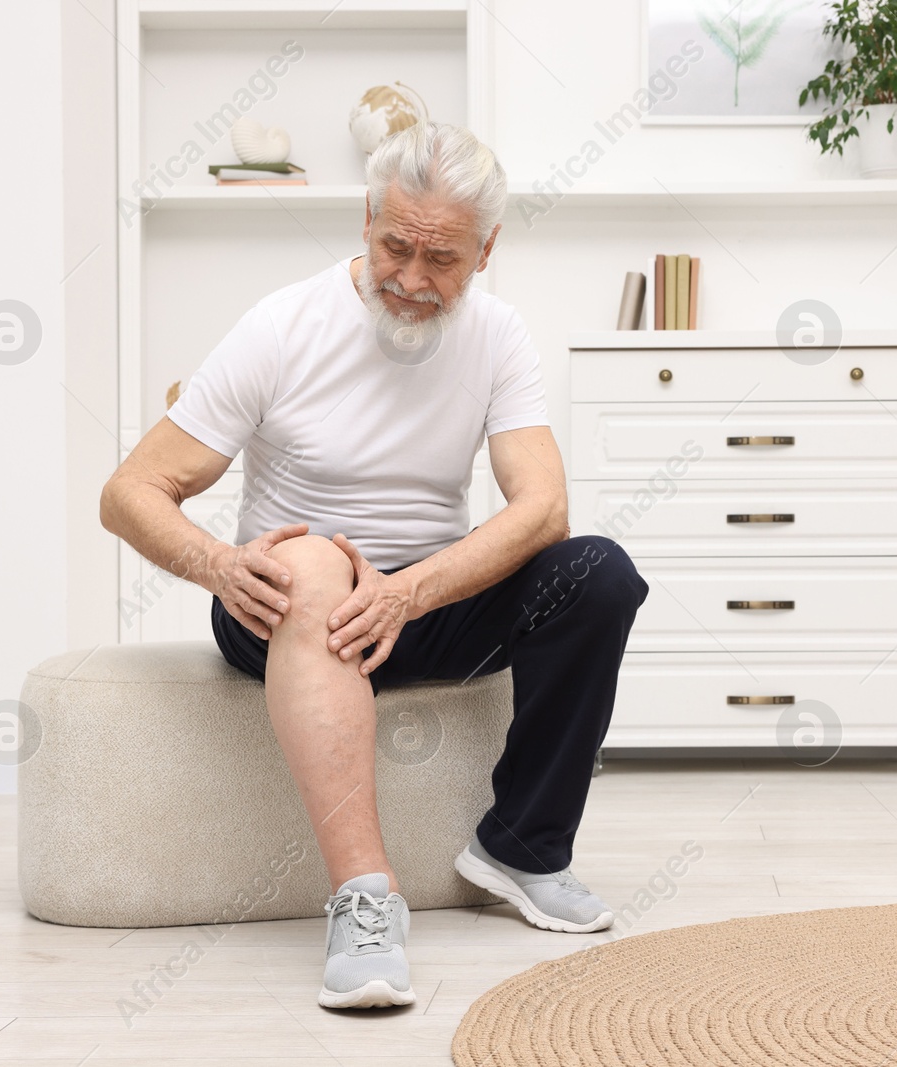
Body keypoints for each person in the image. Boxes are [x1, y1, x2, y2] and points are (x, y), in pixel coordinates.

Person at [98, 121, 648, 1010]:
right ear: (365, 218)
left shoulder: (499, 338)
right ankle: (365, 899)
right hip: (278, 606)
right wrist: (218, 564)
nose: (413, 279)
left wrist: (406, 591)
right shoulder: (281, 326)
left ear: (488, 251)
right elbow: (129, 490)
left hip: (418, 606)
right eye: (397, 245)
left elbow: (543, 506)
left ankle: (523, 846)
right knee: (315, 561)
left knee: (600, 572)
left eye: (444, 260)